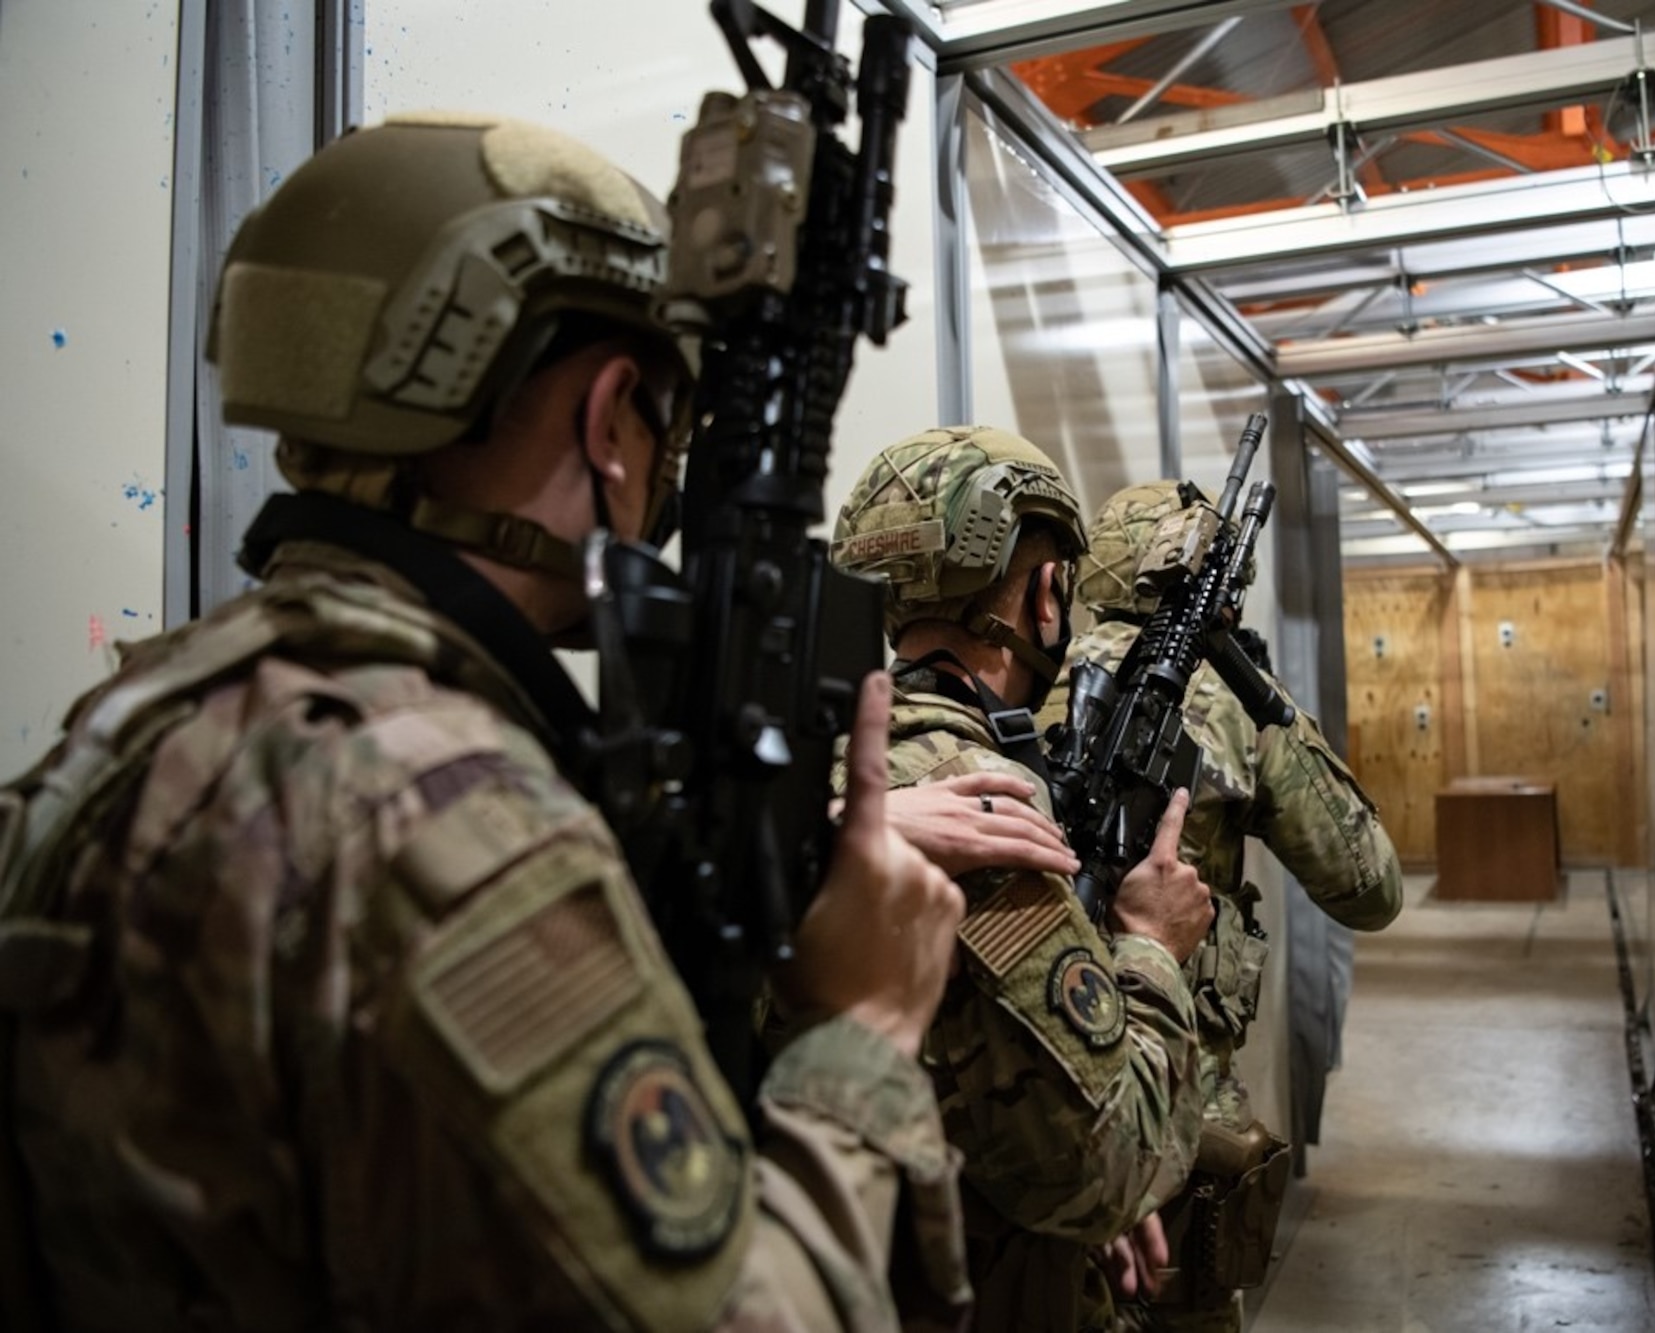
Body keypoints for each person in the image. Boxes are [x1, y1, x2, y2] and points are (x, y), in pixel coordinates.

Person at [0, 115, 972, 1332]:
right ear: (611, 418)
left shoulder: (145, 710)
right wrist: (868, 1027)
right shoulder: (448, 813)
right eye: (664, 417)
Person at [830, 427, 1215, 1332]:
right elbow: (1104, 1165)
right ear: (1047, 591)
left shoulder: (836, 765)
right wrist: (1153, 948)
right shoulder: (979, 812)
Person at [1049, 479, 1404, 1333]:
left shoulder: (1021, 685)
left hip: (1042, 1092)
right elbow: (1370, 885)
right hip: (1176, 1105)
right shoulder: (1225, 702)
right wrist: (1269, 699)